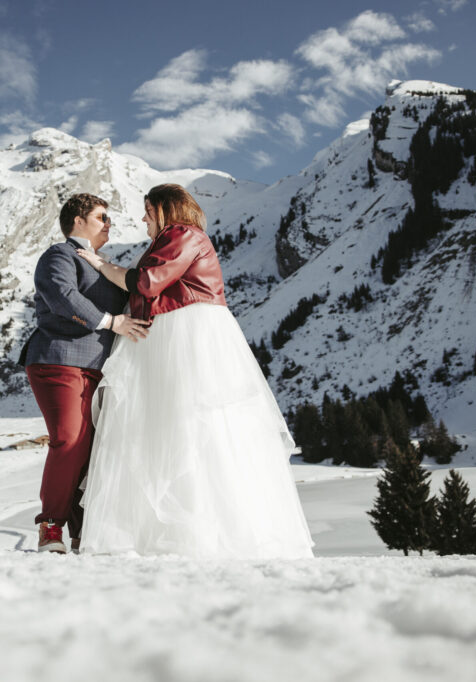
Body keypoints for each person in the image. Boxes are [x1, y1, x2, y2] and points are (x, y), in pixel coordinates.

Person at [76, 184, 313, 559]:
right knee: (173, 429)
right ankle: (172, 532)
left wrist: (102, 265)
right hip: (172, 330)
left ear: (165, 210)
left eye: (148, 211)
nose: (143, 219)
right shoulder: (176, 237)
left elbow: (147, 282)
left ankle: (198, 533)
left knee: (185, 427)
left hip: (184, 332)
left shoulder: (183, 234)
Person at [20, 193, 150, 553]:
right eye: (101, 217)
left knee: (94, 451)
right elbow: (61, 295)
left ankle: (82, 533)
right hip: (60, 359)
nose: (109, 224)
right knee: (70, 439)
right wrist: (111, 321)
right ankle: (50, 526)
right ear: (77, 221)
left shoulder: (101, 262)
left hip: (100, 369)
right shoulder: (58, 256)